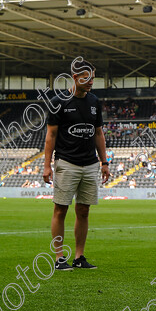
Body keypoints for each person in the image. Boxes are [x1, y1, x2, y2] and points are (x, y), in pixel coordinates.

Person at [43, 58, 109, 271]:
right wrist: (47, 165)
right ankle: (59, 257)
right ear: (75, 77)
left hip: (90, 164)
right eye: (86, 77)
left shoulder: (94, 101)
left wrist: (104, 161)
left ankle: (79, 257)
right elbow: (50, 135)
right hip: (66, 162)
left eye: (93, 78)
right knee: (60, 210)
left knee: (83, 211)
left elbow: (98, 133)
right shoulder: (58, 101)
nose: (90, 82)